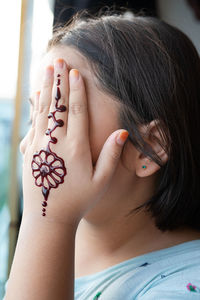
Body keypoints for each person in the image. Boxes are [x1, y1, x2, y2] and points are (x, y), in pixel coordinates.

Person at [4, 11, 200, 300]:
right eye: (37, 119)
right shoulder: (54, 241)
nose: (32, 148)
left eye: (59, 118)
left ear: (149, 146)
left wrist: (48, 221)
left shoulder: (185, 285)